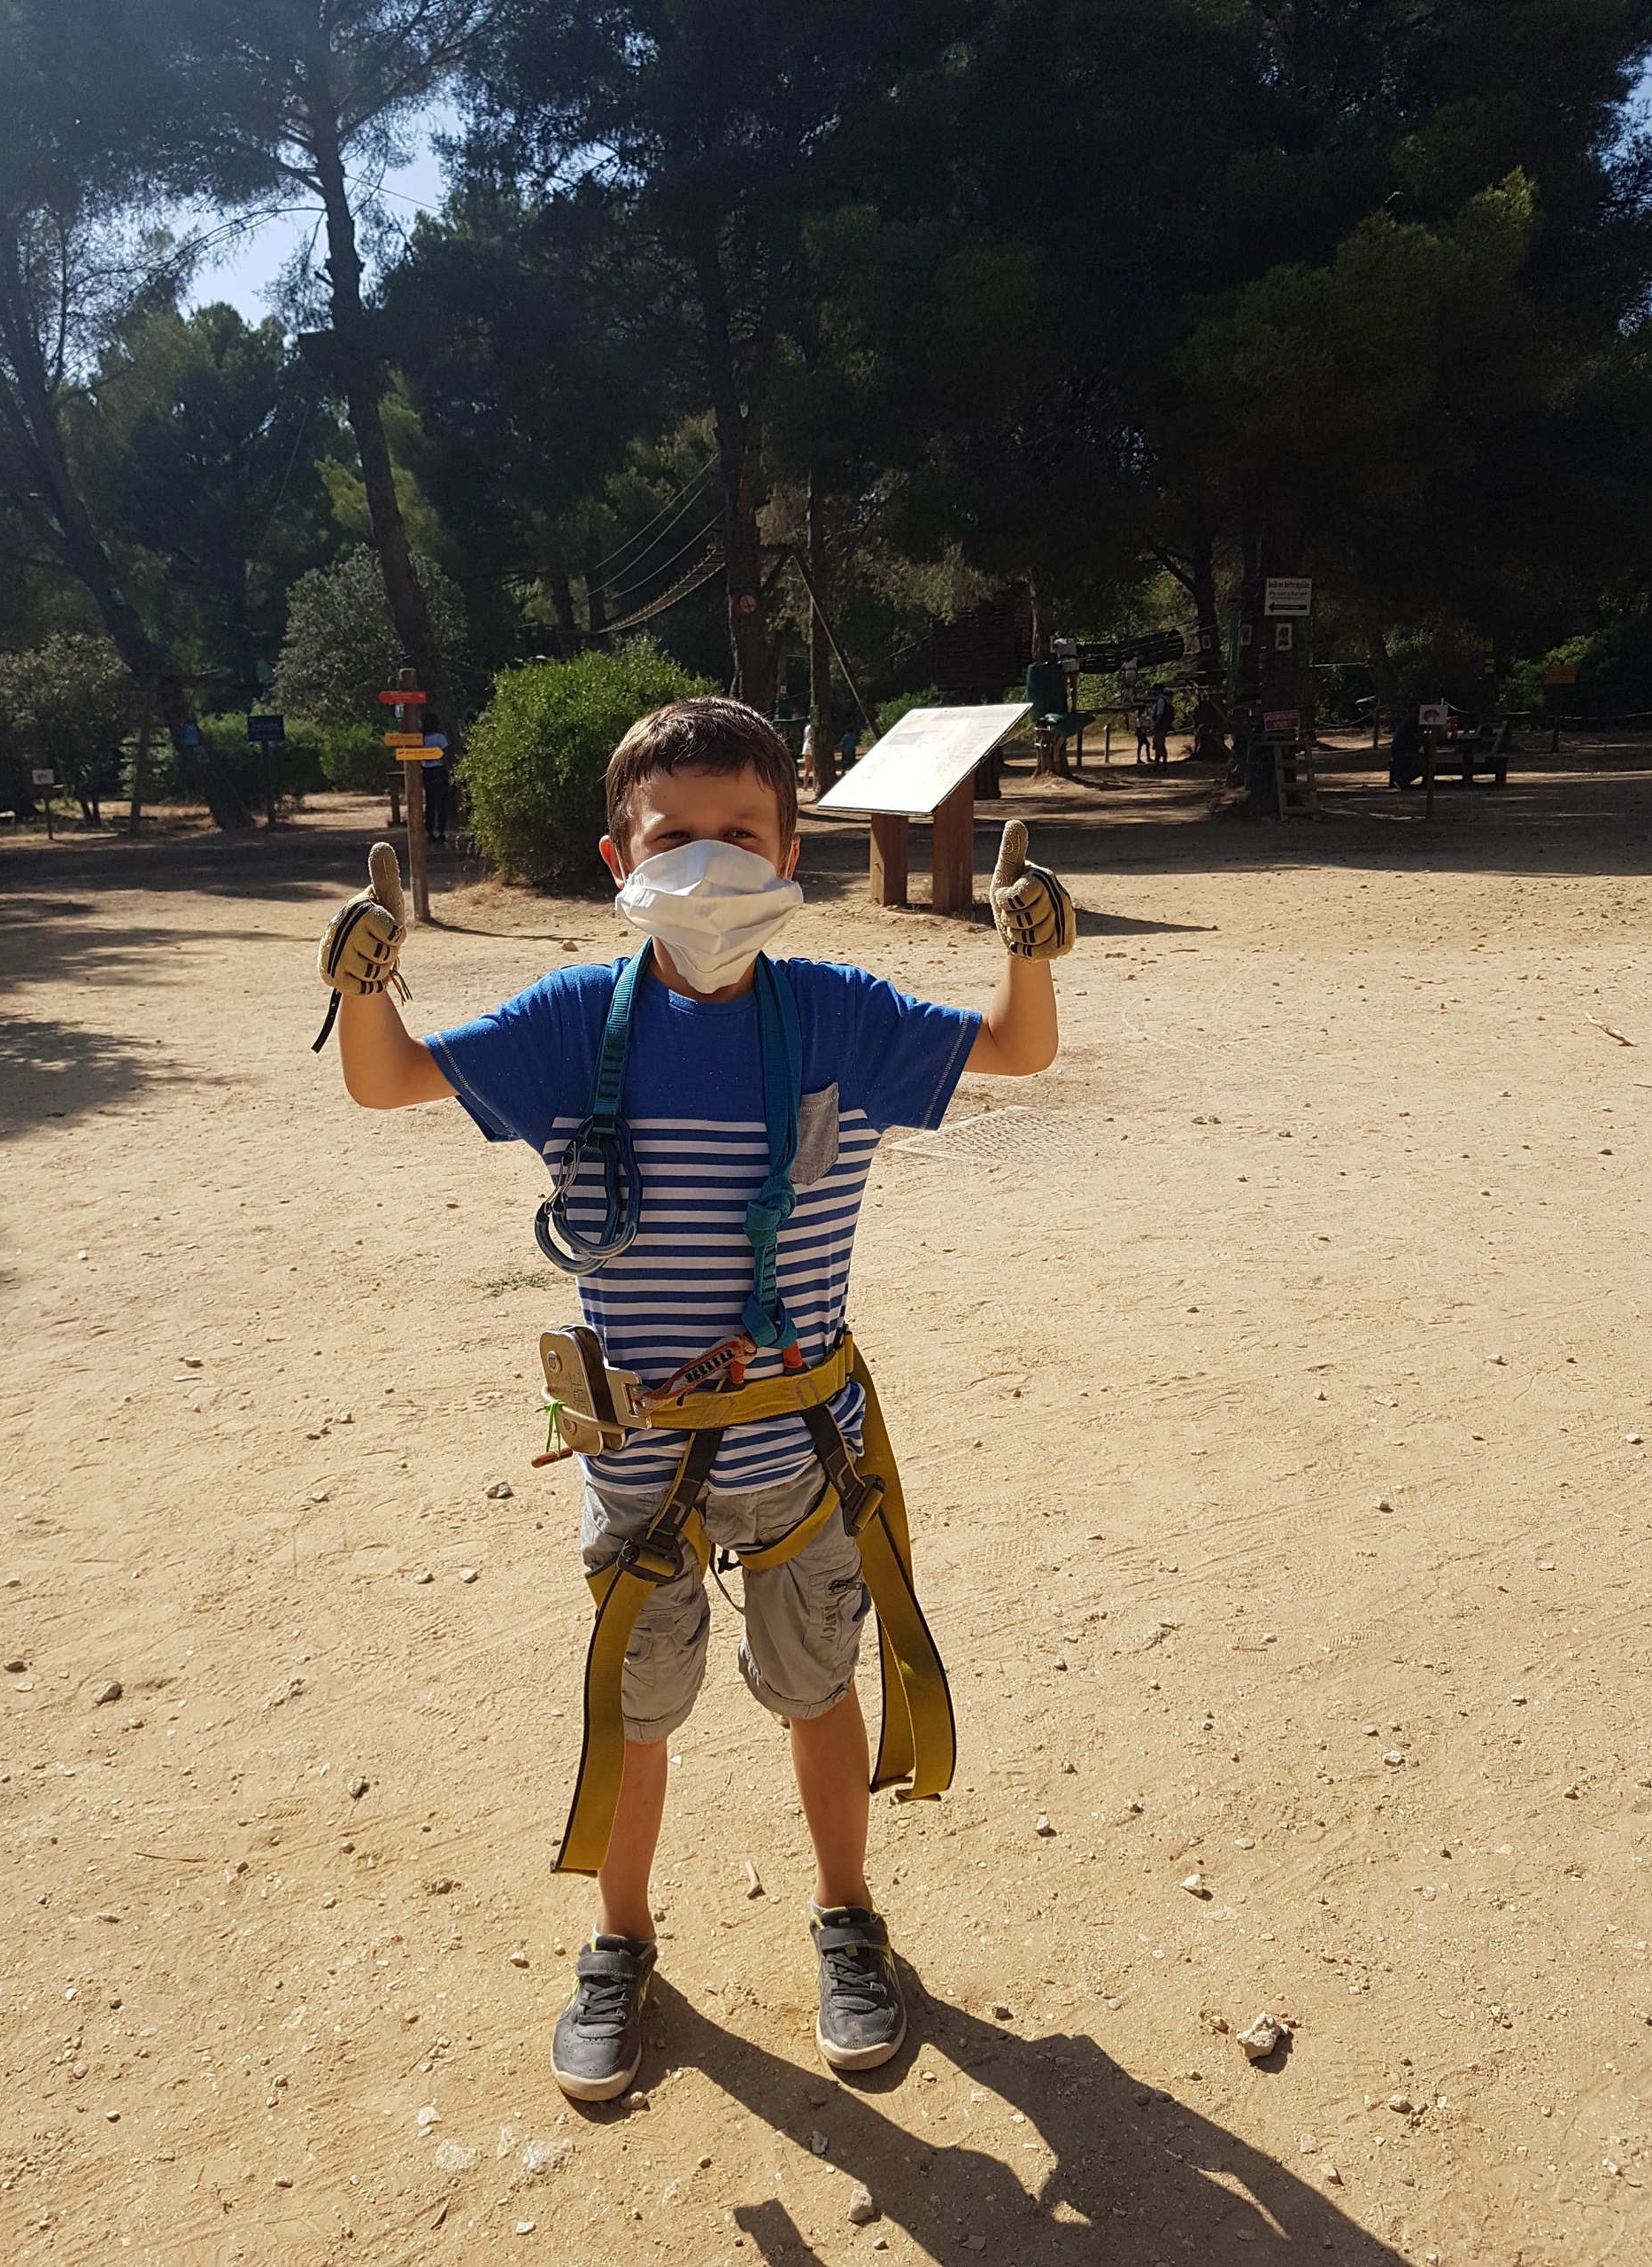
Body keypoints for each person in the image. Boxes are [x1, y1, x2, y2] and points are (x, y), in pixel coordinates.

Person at [315, 697, 1074, 2103]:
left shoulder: (838, 1015)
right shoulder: (564, 1026)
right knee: (636, 1706)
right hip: (639, 1461)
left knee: (817, 1686)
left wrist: (1027, 957)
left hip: (803, 1450)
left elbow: (1016, 1054)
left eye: (743, 835)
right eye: (678, 838)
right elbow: (387, 1082)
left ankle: (848, 1920)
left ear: (795, 853)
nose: (710, 865)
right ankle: (619, 1942)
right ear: (622, 858)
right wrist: (366, 984)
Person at [420, 710, 450, 843]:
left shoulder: (422, 738)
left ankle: (430, 831)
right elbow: (445, 755)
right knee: (442, 803)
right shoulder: (440, 738)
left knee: (430, 803)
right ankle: (441, 831)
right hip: (439, 770)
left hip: (427, 771)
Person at [1148, 685, 1174, 766]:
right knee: (1161, 745)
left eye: (1154, 690)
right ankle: (1164, 764)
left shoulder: (1160, 701)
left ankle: (1157, 764)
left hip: (1160, 726)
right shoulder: (1159, 700)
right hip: (1161, 726)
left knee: (1158, 745)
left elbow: (1159, 715)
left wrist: (1155, 727)